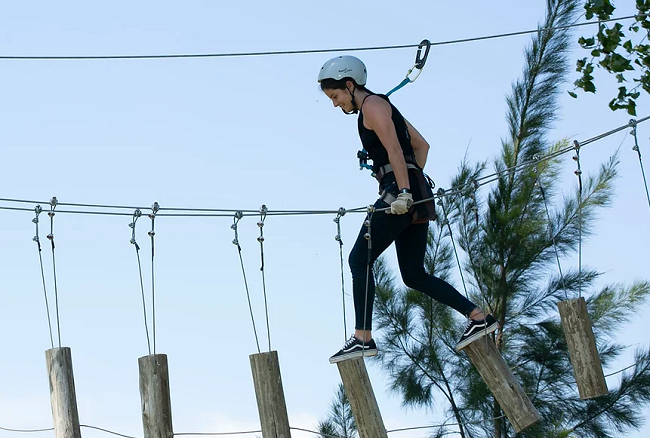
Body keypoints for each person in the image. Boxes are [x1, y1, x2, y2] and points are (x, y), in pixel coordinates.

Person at [318, 56, 498, 364]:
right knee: (414, 274)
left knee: (359, 259)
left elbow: (396, 150)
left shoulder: (372, 107)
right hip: (414, 193)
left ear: (349, 85)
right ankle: (478, 316)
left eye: (335, 96)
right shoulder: (383, 107)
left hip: (400, 196)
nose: (335, 104)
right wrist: (408, 184)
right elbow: (421, 147)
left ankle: (362, 337)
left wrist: (401, 191)